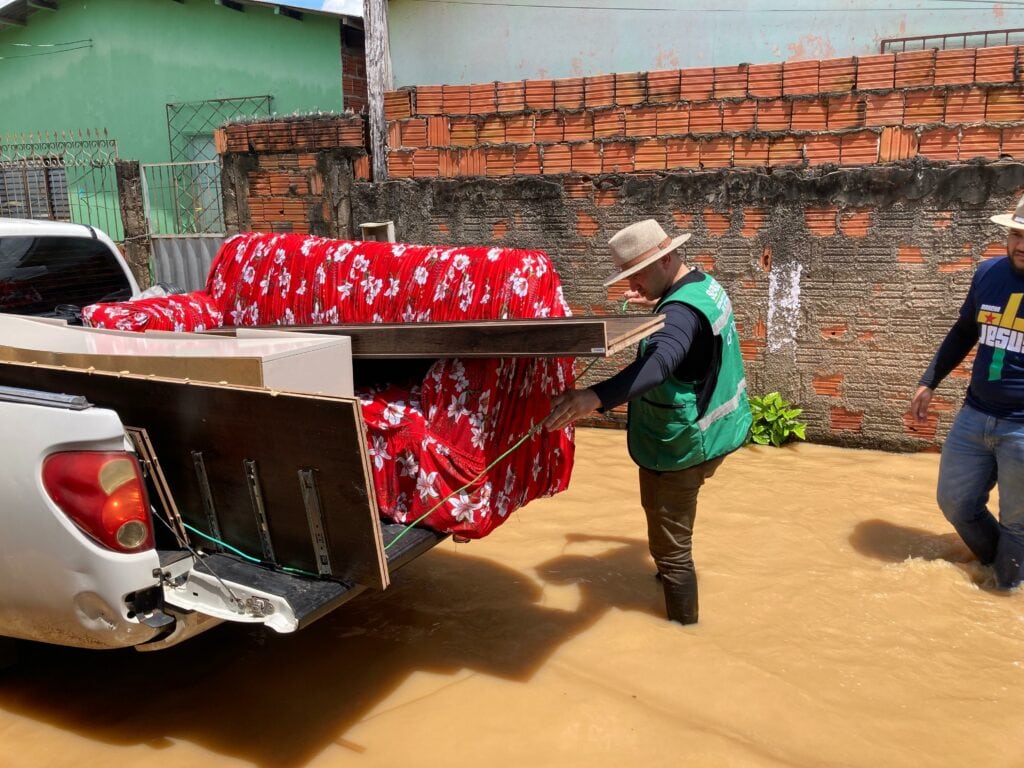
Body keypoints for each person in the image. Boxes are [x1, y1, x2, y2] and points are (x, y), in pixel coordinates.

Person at [544, 219, 751, 625]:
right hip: (720, 429)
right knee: (671, 529)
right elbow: (684, 329)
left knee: (672, 554)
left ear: (666, 259)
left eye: (637, 275)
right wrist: (658, 304)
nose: (631, 286)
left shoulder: (678, 315)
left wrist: (592, 397)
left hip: (680, 448)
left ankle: (684, 634)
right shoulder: (702, 286)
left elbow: (657, 367)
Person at [911, 194, 1024, 589]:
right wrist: (930, 380)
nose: (1021, 244)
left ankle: (1004, 591)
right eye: (1015, 234)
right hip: (975, 414)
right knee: (955, 503)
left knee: (1019, 523)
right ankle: (1001, 572)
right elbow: (964, 331)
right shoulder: (987, 273)